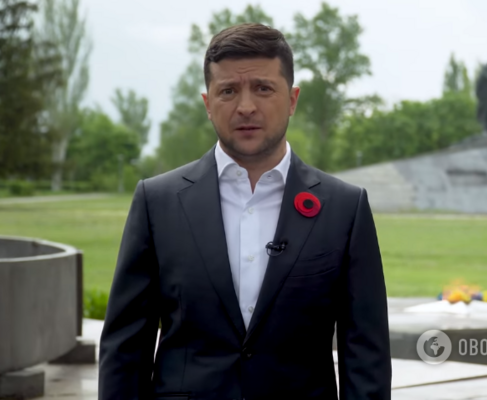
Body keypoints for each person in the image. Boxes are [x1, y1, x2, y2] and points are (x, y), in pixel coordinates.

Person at [99, 23, 391, 400]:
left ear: (292, 100)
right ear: (208, 104)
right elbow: (125, 349)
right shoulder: (157, 202)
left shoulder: (345, 208)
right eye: (228, 91)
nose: (246, 106)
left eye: (263, 88)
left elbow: (366, 356)